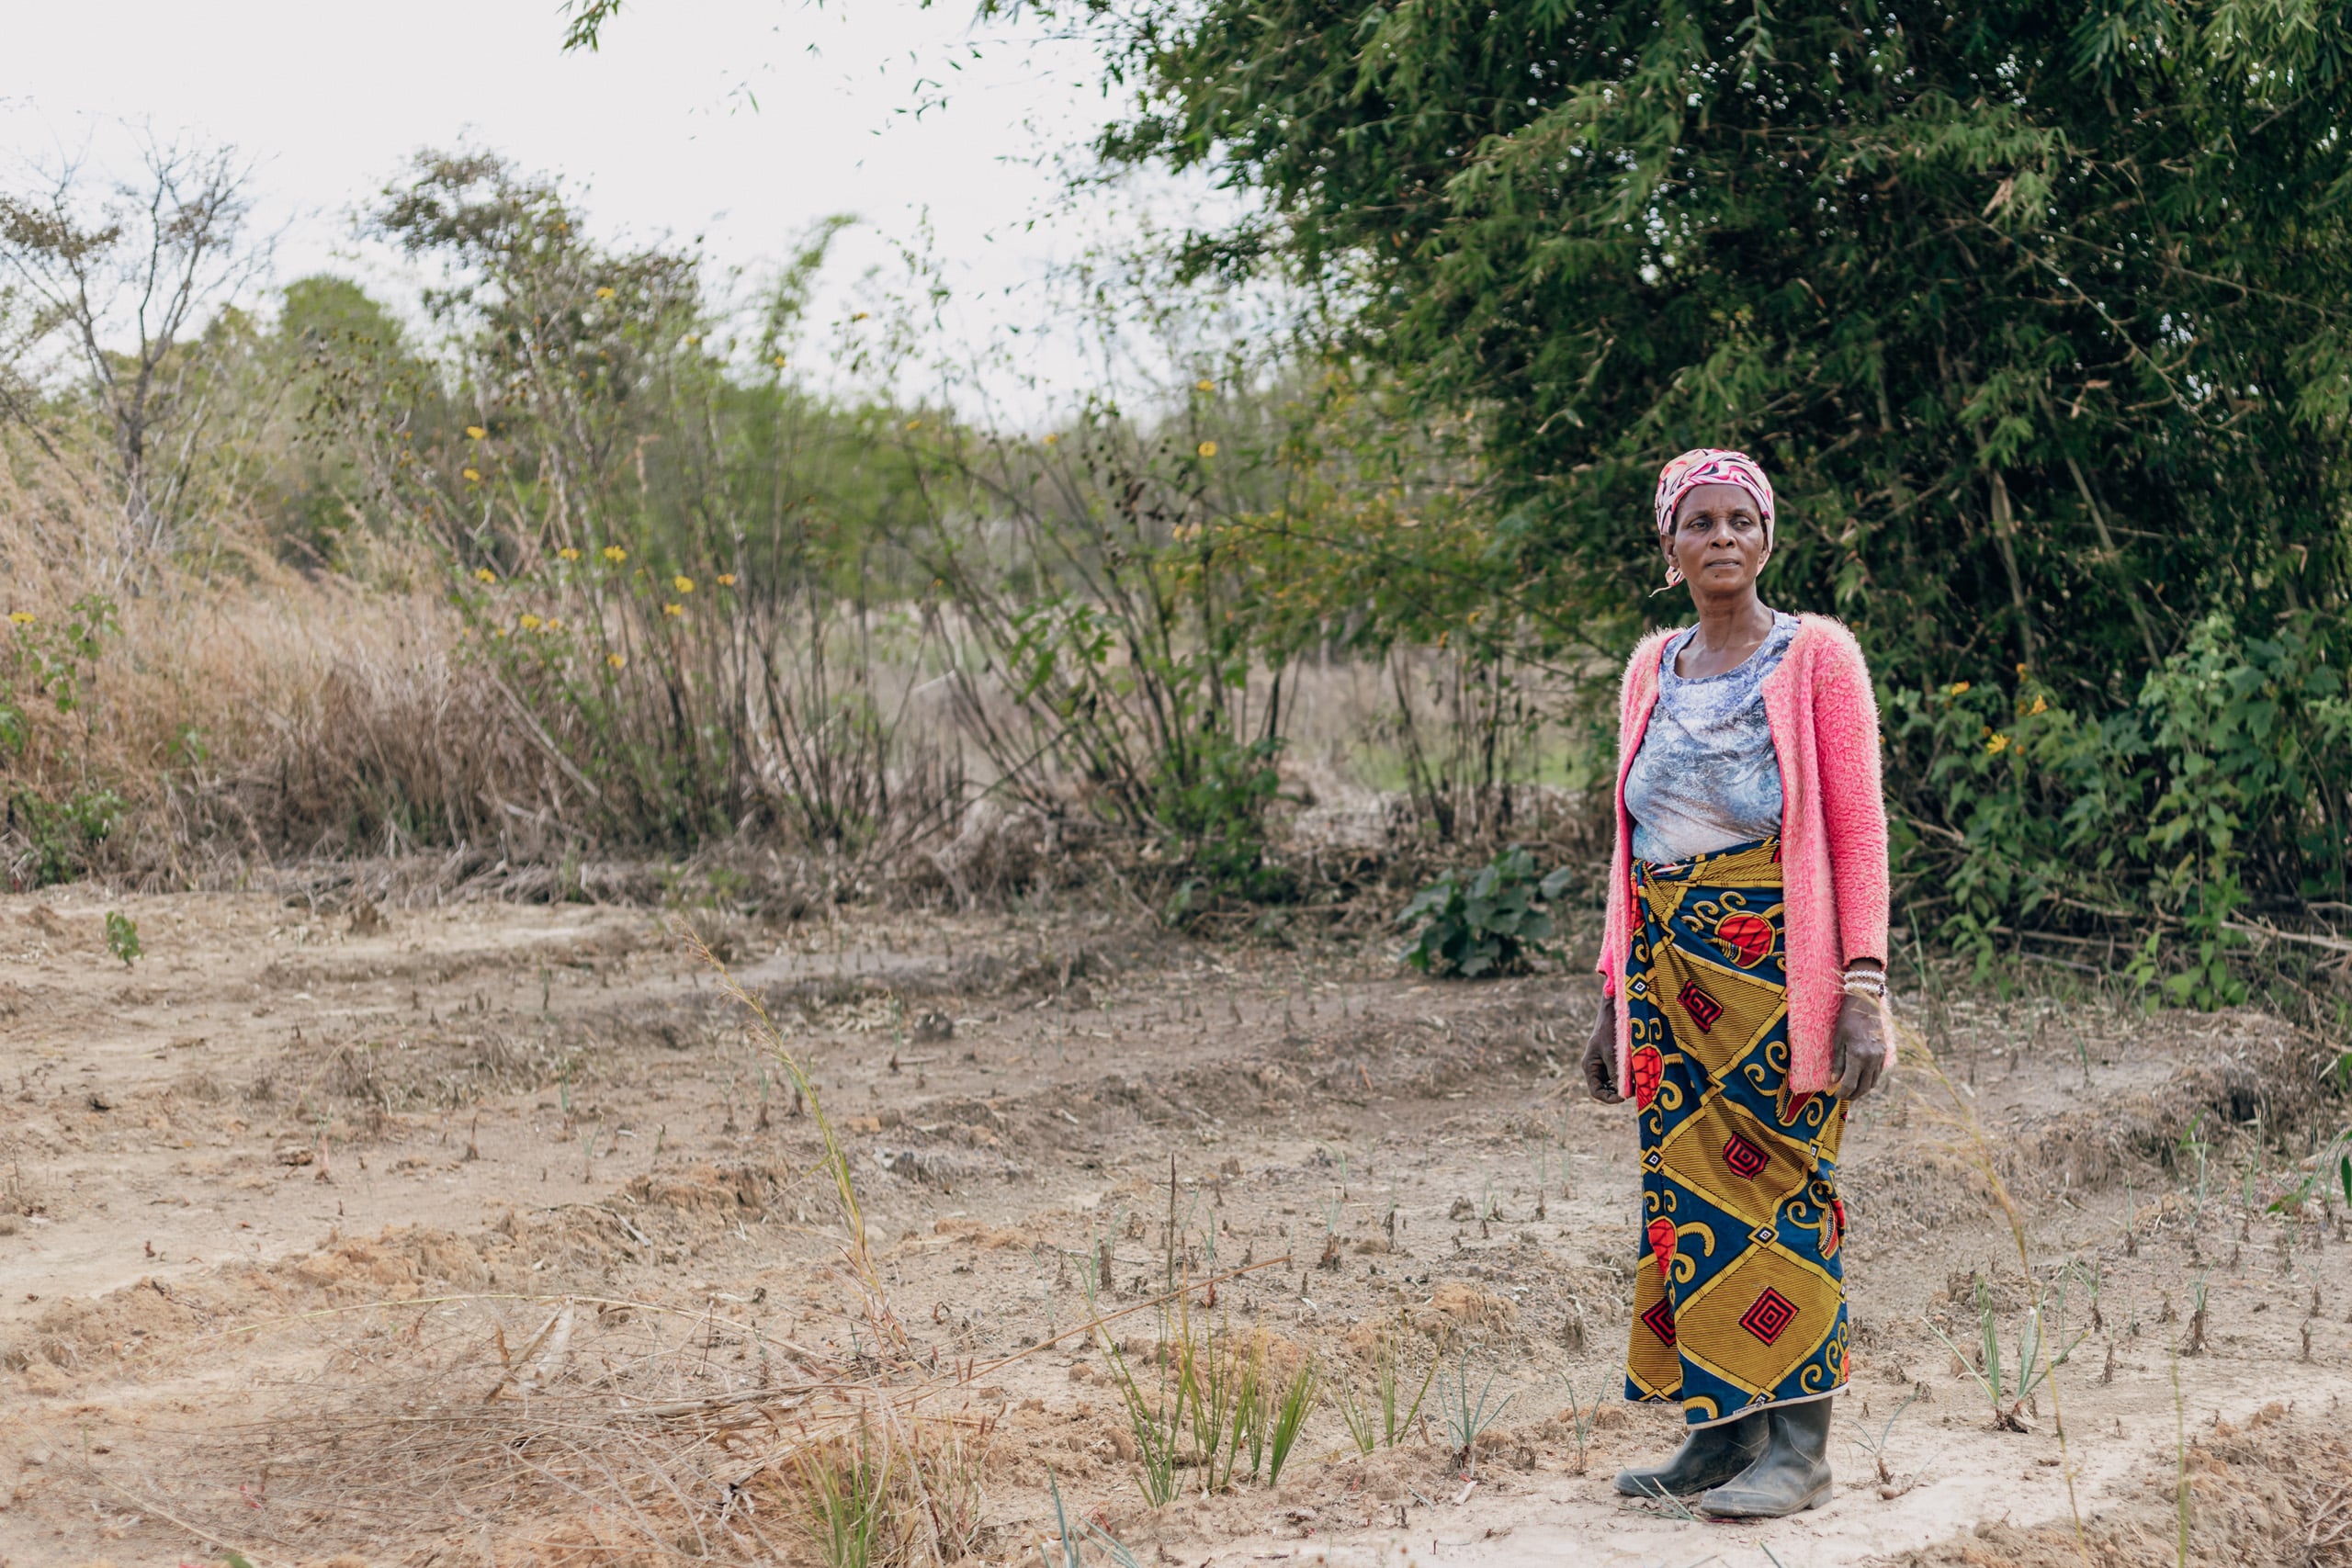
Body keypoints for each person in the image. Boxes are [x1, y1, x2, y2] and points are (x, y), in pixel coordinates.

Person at [1578, 448, 1892, 1518]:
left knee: (1783, 1189)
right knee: (1686, 1202)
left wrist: (1863, 985)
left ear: (1767, 538)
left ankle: (1799, 1453)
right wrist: (1612, 992)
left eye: (1739, 521)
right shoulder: (1649, 668)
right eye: (1698, 523)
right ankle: (1716, 1441)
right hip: (1668, 972)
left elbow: (1855, 831)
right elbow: (1628, 841)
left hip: (1775, 969)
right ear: (1667, 547)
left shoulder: (1817, 659)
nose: (1721, 539)